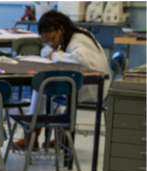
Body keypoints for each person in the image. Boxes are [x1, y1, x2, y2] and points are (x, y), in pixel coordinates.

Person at [15, 10, 110, 149]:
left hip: (93, 89)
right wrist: (52, 52)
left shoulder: (79, 40)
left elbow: (80, 59)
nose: (51, 44)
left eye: (52, 39)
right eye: (46, 41)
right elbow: (46, 51)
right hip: (84, 85)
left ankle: (31, 135)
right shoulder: (71, 36)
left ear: (61, 29)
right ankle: (61, 136)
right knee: (47, 89)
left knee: (41, 87)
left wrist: (54, 55)